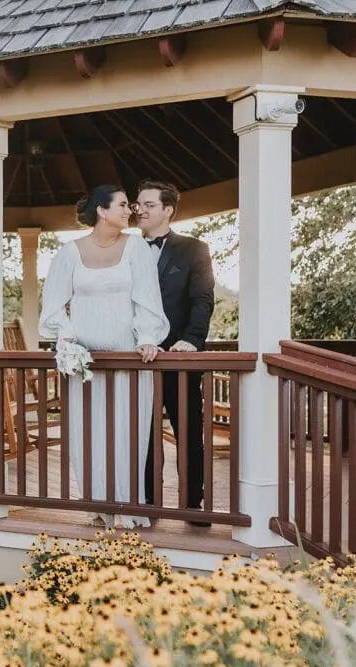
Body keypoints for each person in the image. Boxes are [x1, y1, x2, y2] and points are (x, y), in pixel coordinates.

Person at [38, 185, 169, 529]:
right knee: (89, 432)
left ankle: (126, 506)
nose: (130, 211)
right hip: (85, 365)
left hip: (129, 361)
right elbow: (53, 305)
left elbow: (148, 298)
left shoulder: (136, 248)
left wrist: (148, 338)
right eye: (123, 205)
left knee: (127, 432)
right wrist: (67, 338)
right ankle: (98, 503)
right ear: (101, 210)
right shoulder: (69, 253)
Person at [135, 180, 215, 525]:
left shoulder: (194, 249)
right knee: (144, 434)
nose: (140, 210)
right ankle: (148, 502)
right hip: (138, 359)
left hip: (179, 358)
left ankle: (193, 504)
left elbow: (202, 300)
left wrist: (191, 341)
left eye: (148, 204)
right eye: (137, 204)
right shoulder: (126, 249)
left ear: (167, 210)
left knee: (189, 433)